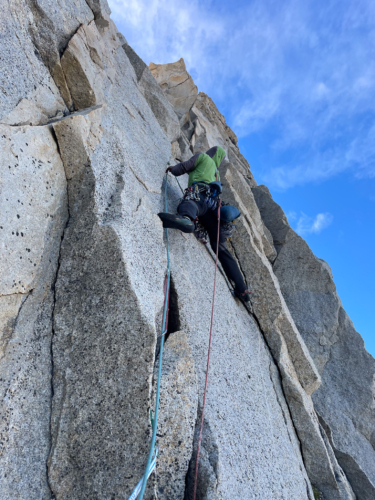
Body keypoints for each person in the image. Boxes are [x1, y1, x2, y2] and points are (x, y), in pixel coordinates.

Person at [158, 146, 251, 303]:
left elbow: (183, 167)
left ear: (211, 153)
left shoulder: (202, 157)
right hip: (214, 210)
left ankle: (186, 219)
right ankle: (242, 289)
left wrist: (172, 169)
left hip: (200, 196)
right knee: (222, 251)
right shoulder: (217, 174)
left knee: (191, 203)